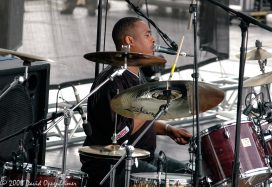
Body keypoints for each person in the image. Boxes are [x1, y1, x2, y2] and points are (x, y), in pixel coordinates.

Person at [80, 17, 193, 187]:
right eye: (147, 35)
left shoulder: (138, 77)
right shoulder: (113, 83)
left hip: (144, 157)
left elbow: (141, 120)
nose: (153, 39)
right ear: (129, 40)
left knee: (190, 175)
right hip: (114, 166)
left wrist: (169, 130)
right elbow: (120, 133)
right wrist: (153, 105)